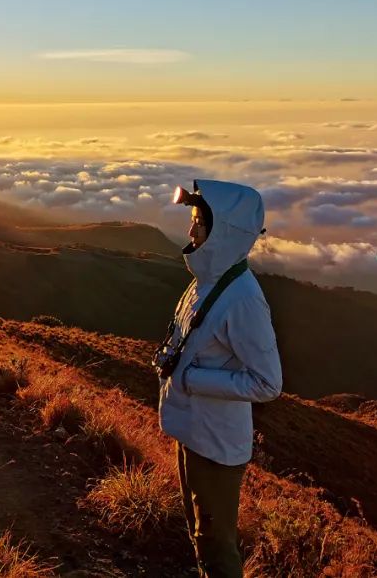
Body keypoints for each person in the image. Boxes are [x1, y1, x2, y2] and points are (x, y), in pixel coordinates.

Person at [156, 179, 283, 578]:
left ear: (225, 233)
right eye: (193, 220)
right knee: (200, 533)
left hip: (215, 445)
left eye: (200, 223)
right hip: (194, 431)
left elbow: (268, 383)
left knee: (216, 544)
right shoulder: (208, 279)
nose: (192, 231)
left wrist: (193, 380)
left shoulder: (243, 298)